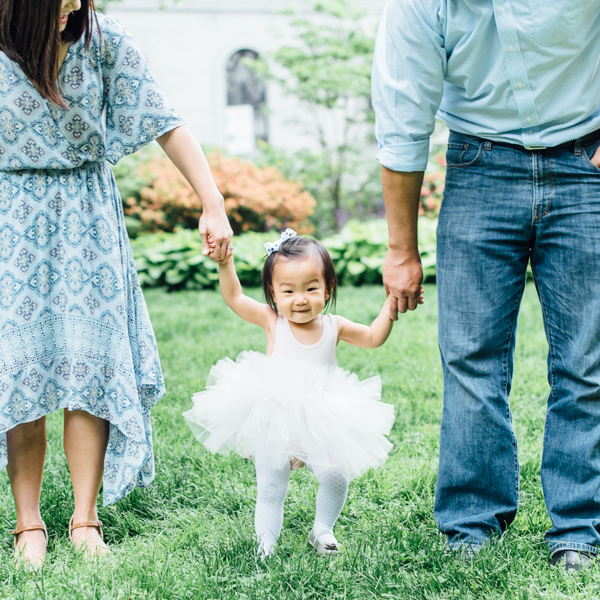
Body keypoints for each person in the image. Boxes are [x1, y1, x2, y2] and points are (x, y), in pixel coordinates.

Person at [0, 0, 232, 565]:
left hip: (87, 214)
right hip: (10, 217)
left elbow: (165, 122)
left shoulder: (103, 42)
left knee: (92, 362)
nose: (75, 6)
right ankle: (28, 525)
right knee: (19, 365)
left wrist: (212, 202)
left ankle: (85, 519)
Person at [372, 0, 600, 571]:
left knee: (587, 360)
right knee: (470, 355)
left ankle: (579, 528)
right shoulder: (422, 6)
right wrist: (402, 249)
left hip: (584, 161)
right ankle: (472, 524)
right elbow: (403, 124)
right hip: (480, 166)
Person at [183, 229, 411, 557]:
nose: (300, 298)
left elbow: (374, 336)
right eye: (288, 290)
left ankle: (322, 529)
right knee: (272, 484)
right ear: (273, 294)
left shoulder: (335, 325)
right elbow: (235, 298)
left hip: (322, 413)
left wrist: (391, 306)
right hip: (274, 413)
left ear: (327, 288)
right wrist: (225, 262)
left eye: (311, 288)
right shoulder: (273, 321)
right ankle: (266, 543)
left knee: (335, 473)